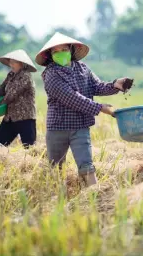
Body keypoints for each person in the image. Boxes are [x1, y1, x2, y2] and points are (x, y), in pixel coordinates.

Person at [35, 32, 133, 186]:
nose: (61, 54)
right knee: (55, 168)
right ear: (50, 55)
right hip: (58, 127)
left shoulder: (82, 69)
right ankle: (55, 198)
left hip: (80, 126)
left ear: (71, 50)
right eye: (56, 52)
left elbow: (96, 86)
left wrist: (115, 85)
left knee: (87, 166)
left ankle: (93, 196)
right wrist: (100, 108)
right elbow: (71, 97)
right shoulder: (51, 74)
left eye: (64, 50)